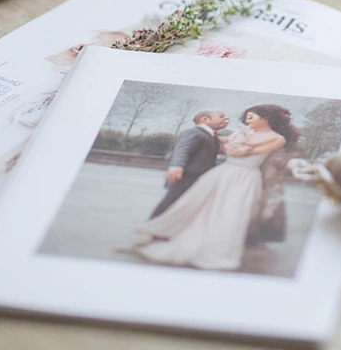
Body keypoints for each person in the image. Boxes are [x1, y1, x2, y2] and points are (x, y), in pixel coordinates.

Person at [119, 104, 298, 270]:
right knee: (199, 208)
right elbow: (229, 151)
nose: (247, 120)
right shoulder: (239, 133)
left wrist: (235, 143)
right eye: (247, 117)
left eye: (251, 117)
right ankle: (161, 237)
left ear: (266, 118)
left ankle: (218, 250)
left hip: (246, 177)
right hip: (222, 173)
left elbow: (240, 151)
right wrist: (231, 142)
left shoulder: (277, 138)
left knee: (233, 214)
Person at [149, 108, 229, 218]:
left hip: (198, 178)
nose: (226, 120)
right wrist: (176, 166)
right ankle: (152, 227)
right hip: (185, 177)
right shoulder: (194, 132)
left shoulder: (212, 137)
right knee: (170, 204)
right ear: (205, 119)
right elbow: (183, 149)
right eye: (221, 116)